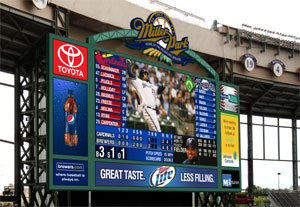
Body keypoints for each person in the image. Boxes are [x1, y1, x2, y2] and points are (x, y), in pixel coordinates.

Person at [126, 59, 164, 132]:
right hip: (148, 109)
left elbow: (158, 91)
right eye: (144, 73)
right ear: (141, 75)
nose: (146, 75)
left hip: (153, 111)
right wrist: (128, 64)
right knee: (158, 132)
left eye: (147, 74)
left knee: (153, 133)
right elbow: (130, 73)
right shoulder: (139, 82)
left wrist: (164, 86)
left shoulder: (152, 85)